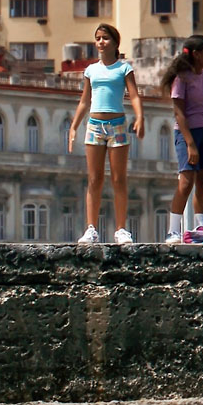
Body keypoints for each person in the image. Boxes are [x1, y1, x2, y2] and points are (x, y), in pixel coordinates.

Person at [69, 24, 145, 244]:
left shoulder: (123, 68)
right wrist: (74, 126)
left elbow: (134, 96)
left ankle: (121, 228)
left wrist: (140, 116)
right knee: (94, 178)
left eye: (105, 38)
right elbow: (85, 100)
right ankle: (91, 228)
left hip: (118, 124)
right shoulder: (91, 70)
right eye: (98, 38)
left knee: (119, 178)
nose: (101, 42)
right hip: (95, 125)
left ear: (114, 42)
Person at [160, 35, 203, 244]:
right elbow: (179, 112)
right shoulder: (181, 78)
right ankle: (173, 229)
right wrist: (189, 144)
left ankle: (200, 227)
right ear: (197, 55)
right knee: (186, 181)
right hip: (187, 132)